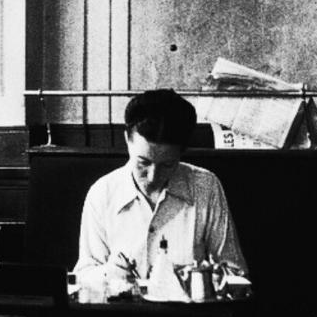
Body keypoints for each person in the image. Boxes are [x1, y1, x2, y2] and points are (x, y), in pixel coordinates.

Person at [75, 89, 248, 288]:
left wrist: (208, 277)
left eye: (167, 165)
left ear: (182, 152)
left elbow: (235, 272)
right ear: (127, 140)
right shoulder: (103, 192)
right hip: (123, 307)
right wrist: (110, 273)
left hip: (189, 307)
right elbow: (84, 275)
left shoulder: (205, 186)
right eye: (143, 162)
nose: (152, 177)